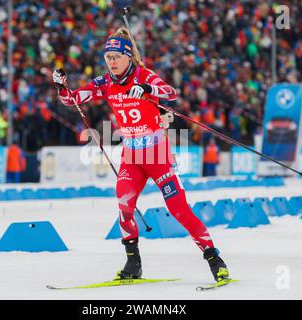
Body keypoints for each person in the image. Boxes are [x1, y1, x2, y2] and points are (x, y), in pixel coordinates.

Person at [53, 27, 230, 283]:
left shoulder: (143, 75)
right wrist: (61, 87)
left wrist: (147, 88)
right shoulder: (105, 83)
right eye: (108, 58)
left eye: (116, 57)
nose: (111, 62)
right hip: (132, 156)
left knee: (178, 207)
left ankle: (214, 259)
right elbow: (73, 99)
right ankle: (133, 262)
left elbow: (171, 93)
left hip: (158, 154)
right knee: (124, 205)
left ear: (128, 57)